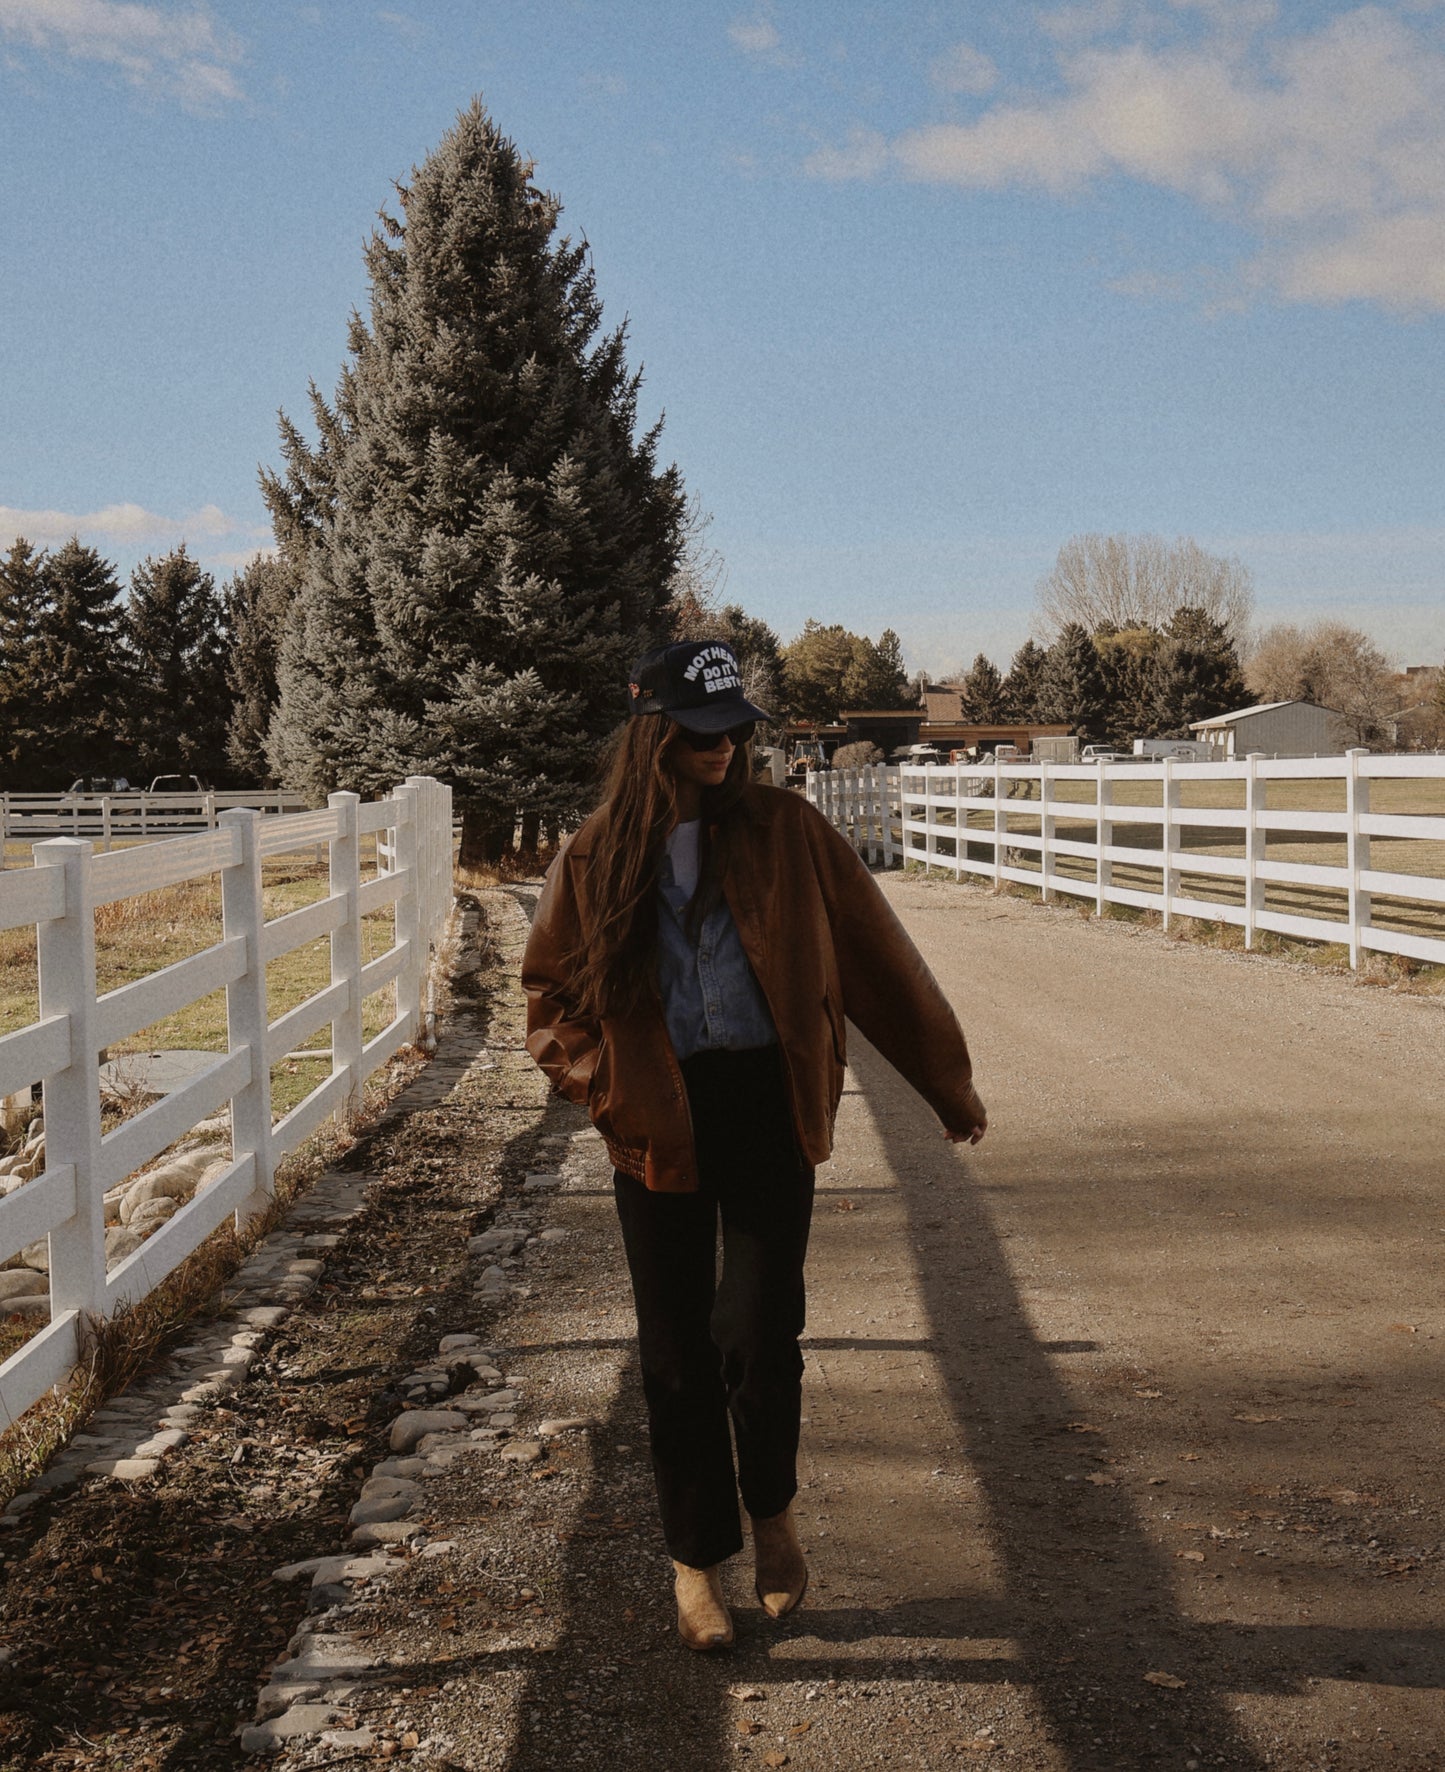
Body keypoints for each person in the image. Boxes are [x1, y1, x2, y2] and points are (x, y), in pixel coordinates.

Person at [521, 639, 986, 1651]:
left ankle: (772, 1512)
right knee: (675, 1353)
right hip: (656, 1113)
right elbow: (549, 996)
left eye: (733, 731)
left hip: (767, 1103)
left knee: (760, 1333)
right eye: (700, 733)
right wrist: (602, 1087)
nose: (723, 750)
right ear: (655, 736)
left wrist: (942, 1079)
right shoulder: (599, 852)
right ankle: (695, 1561)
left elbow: (875, 959)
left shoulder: (790, 831)